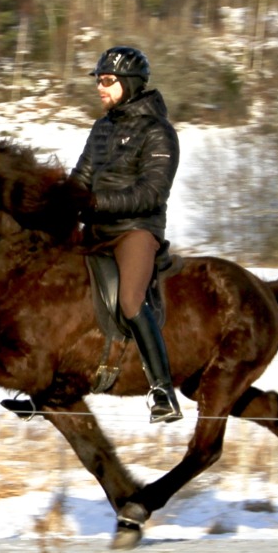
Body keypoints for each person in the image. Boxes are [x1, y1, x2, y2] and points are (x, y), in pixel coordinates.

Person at [69, 46, 183, 424]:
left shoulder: (159, 132)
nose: (100, 88)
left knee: (131, 300)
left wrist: (96, 202)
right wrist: (60, 201)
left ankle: (162, 390)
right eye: (99, 81)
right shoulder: (101, 128)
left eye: (107, 81)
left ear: (129, 84)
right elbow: (80, 179)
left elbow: (151, 193)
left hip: (135, 231)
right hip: (96, 228)